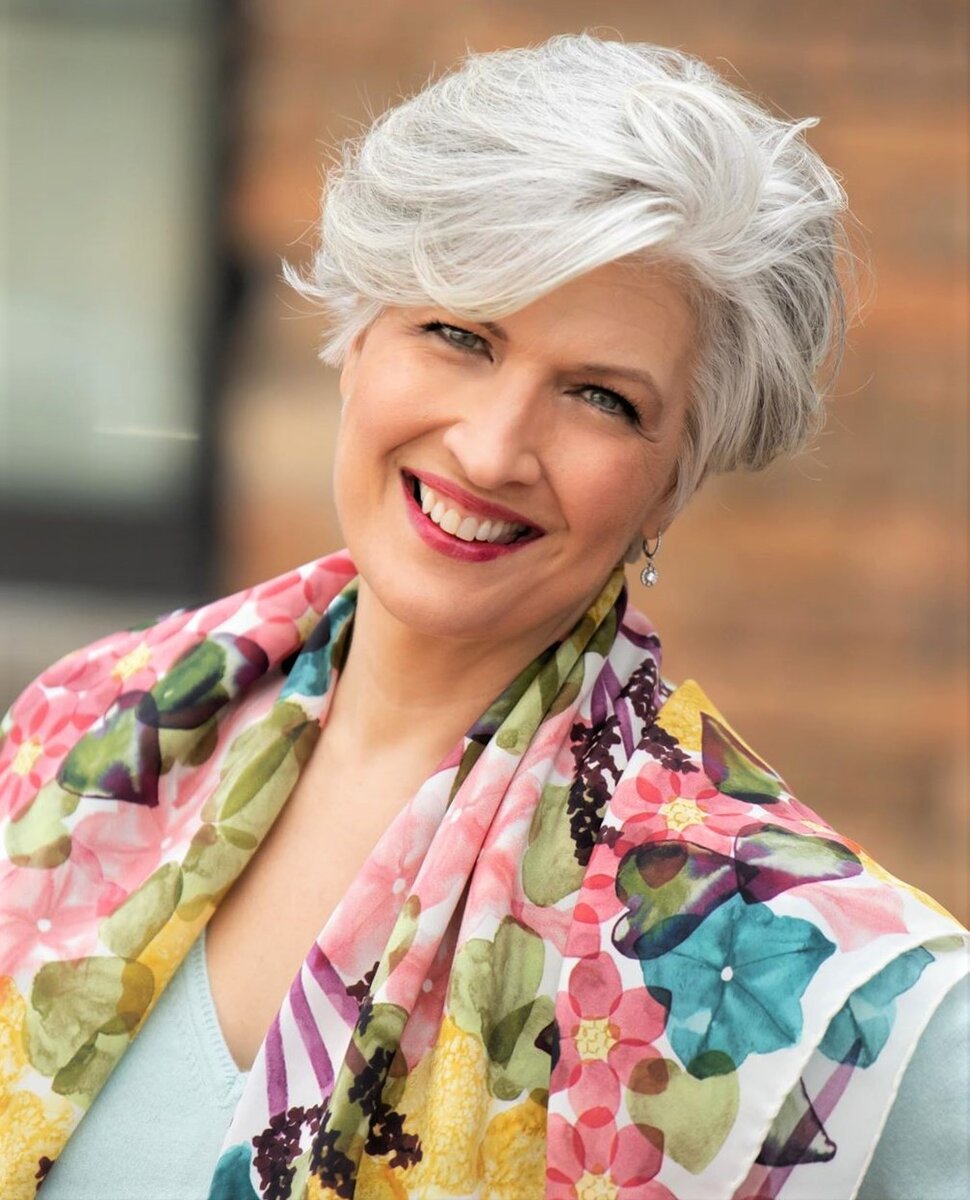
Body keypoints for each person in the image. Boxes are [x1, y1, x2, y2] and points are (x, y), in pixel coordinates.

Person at [0, 33, 966, 1200]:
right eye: (460, 336)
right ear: (358, 337)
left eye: (600, 398)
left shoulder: (829, 988)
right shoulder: (77, 735)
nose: (494, 448)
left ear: (672, 483)